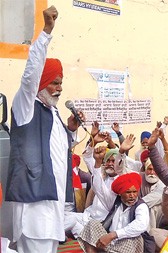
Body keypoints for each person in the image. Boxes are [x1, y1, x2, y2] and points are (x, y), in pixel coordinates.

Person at [5, 6, 86, 252]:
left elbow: (57, 155)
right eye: (55, 82)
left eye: (62, 82)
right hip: (34, 214)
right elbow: (30, 76)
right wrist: (46, 32)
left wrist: (70, 130)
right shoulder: (26, 105)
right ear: (41, 83)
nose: (60, 88)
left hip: (53, 216)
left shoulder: (53, 113)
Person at [78, 173, 150, 253]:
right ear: (120, 193)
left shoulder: (141, 206)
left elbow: (140, 225)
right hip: (110, 241)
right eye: (128, 192)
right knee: (91, 224)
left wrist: (113, 235)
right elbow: (99, 188)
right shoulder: (115, 201)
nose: (132, 196)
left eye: (134, 192)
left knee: (136, 237)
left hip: (125, 243)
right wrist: (97, 165)